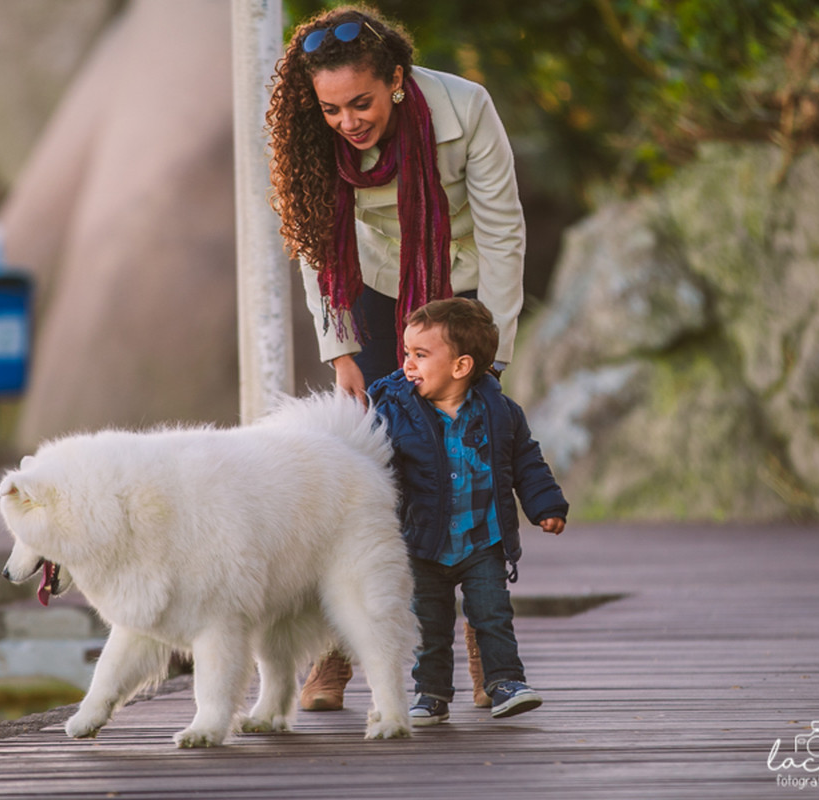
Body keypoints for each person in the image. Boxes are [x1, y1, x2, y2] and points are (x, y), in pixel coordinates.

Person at [266, 3, 527, 710]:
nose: (348, 121)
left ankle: (483, 641)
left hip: (461, 278)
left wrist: (490, 356)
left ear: (398, 82)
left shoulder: (465, 109)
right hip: (377, 285)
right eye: (331, 109)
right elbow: (317, 246)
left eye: (362, 103)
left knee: (469, 452)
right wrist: (343, 349)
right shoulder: (313, 137)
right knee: (369, 460)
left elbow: (504, 231)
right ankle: (338, 649)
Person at [369, 297, 566, 725]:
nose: (408, 364)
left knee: (492, 615)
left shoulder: (500, 413)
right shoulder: (394, 413)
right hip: (423, 541)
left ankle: (506, 682)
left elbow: (526, 462)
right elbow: (374, 466)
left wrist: (546, 504)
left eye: (421, 355)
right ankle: (431, 692)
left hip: (483, 539)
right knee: (429, 624)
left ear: (460, 367)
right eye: (407, 353)